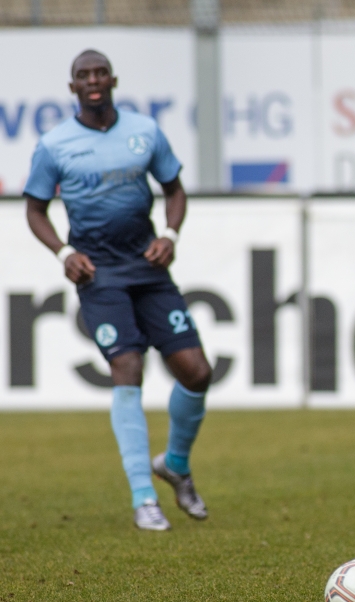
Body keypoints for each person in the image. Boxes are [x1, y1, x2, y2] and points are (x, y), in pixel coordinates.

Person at [24, 50, 213, 531]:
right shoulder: (54, 145)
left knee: (196, 371)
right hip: (98, 273)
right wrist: (64, 252)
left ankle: (174, 463)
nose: (93, 80)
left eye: (100, 72)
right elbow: (35, 210)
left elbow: (174, 189)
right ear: (72, 88)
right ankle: (143, 496)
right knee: (127, 365)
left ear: (113, 80)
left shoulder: (144, 131)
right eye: (83, 75)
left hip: (147, 265)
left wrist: (169, 236)